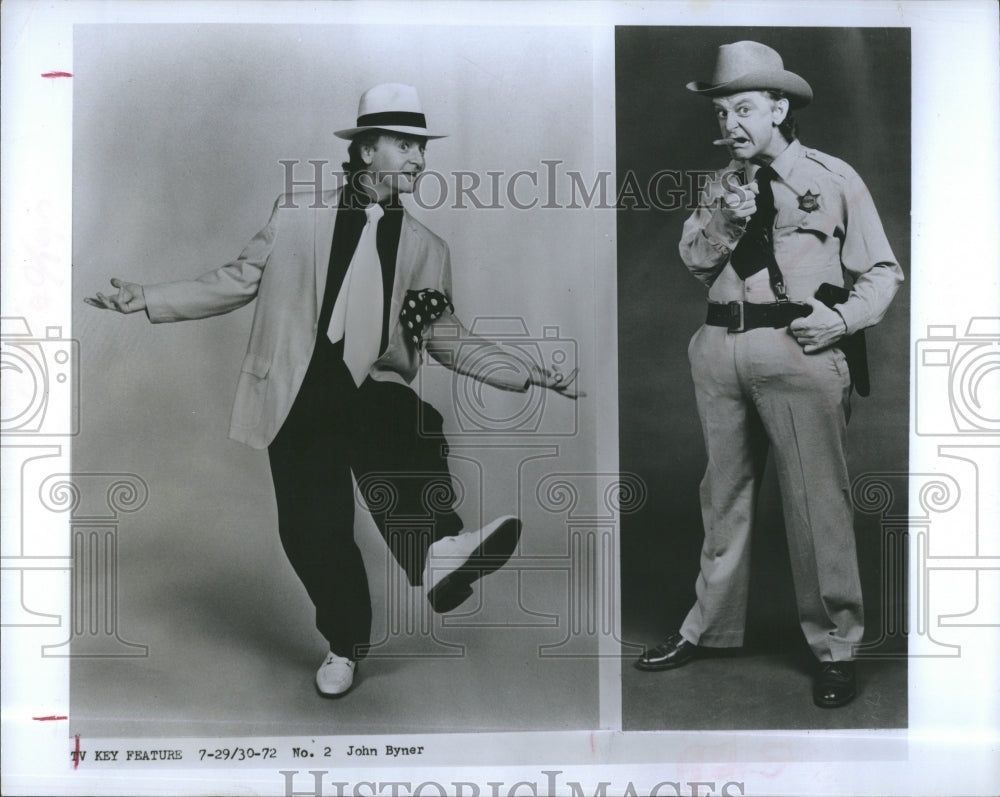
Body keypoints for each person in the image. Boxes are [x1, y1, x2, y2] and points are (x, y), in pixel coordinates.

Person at [85, 83, 581, 698]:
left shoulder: (427, 248)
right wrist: (149, 298)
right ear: (368, 150)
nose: (419, 161)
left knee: (405, 422)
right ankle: (346, 644)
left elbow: (444, 334)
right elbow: (238, 280)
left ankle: (438, 551)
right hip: (298, 393)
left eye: (421, 148)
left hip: (366, 386)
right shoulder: (295, 218)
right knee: (314, 533)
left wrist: (525, 370)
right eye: (405, 146)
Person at [634, 42, 903, 708]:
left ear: (779, 107)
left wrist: (841, 325)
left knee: (817, 502)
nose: (730, 125)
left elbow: (882, 273)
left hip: (799, 350)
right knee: (721, 494)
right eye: (723, 112)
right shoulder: (721, 183)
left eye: (744, 108)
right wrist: (725, 218)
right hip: (720, 346)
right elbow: (696, 262)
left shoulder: (832, 177)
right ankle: (709, 628)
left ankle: (836, 646)